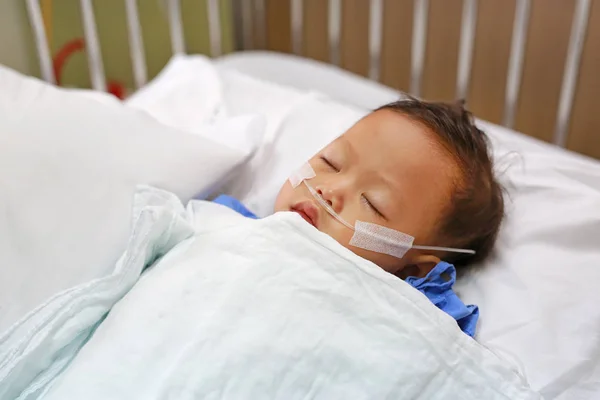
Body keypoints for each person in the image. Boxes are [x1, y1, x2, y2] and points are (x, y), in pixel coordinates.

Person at [214, 99, 505, 337]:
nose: (327, 190)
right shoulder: (223, 223)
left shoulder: (406, 322)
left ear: (411, 269)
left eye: (372, 203)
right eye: (331, 162)